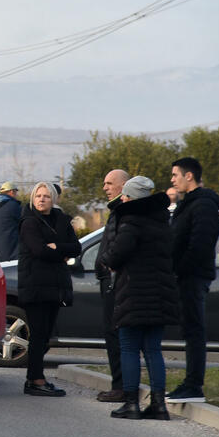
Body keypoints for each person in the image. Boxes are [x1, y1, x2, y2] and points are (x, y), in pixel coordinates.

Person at [100, 176, 178, 420]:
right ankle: (159, 405)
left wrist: (108, 261)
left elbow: (114, 256)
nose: (121, 198)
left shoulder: (131, 222)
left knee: (129, 348)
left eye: (125, 195)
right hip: (160, 295)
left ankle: (131, 403)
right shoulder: (163, 222)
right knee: (153, 349)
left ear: (132, 198)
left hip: (133, 294)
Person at [167, 157, 219, 404]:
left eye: (175, 175)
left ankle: (193, 385)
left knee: (195, 330)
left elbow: (200, 244)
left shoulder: (203, 205)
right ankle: (190, 384)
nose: (172, 180)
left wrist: (180, 269)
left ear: (189, 176)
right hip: (185, 275)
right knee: (190, 330)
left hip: (193, 276)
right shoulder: (189, 203)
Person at [18, 181, 81, 396]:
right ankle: (36, 380)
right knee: (37, 335)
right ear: (33, 199)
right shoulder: (29, 222)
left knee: (46, 336)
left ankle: (34, 378)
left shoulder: (61, 220)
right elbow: (38, 251)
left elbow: (76, 247)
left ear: (53, 199)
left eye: (45, 196)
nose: (41, 199)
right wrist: (59, 253)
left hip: (56, 287)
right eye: (38, 196)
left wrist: (58, 247)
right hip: (35, 286)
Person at [94, 169, 130, 403]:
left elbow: (118, 247)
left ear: (123, 185)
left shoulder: (123, 213)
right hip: (110, 282)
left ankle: (122, 386)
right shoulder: (115, 211)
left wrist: (107, 263)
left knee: (117, 335)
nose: (105, 188)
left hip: (117, 283)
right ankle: (120, 384)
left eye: (109, 183)